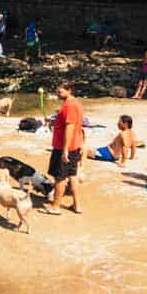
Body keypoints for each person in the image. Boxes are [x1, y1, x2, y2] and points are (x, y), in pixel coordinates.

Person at [43, 81, 84, 215]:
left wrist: (65, 149)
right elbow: (69, 123)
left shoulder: (70, 105)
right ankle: (77, 205)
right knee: (72, 175)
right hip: (74, 146)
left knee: (59, 177)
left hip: (65, 147)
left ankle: (55, 206)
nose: (58, 93)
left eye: (60, 91)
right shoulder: (74, 103)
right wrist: (54, 122)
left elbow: (70, 127)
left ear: (69, 90)